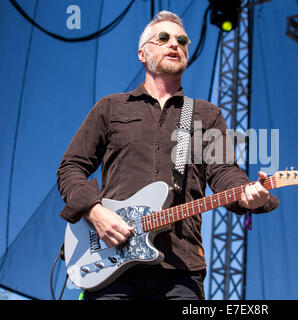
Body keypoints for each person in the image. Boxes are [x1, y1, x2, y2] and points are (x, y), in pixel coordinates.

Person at [57, 10, 279, 300]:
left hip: (180, 268)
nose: (175, 44)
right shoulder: (111, 108)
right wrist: (94, 211)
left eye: (182, 40)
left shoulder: (205, 115)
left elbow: (223, 171)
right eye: (163, 38)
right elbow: (71, 167)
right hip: (109, 263)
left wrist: (248, 193)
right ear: (142, 53)